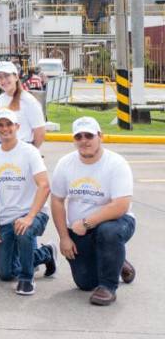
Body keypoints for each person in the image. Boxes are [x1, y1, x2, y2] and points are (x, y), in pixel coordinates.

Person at [50, 117, 136, 306]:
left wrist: (88, 222)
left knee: (108, 233)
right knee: (85, 282)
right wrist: (64, 237)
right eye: (78, 136)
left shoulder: (116, 163)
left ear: (100, 137)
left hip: (117, 222)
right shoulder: (65, 164)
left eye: (89, 135)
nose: (83, 140)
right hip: (80, 229)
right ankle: (116, 260)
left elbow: (121, 205)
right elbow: (56, 200)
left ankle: (108, 287)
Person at [0, 109, 56, 296]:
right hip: (7, 219)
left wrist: (30, 217)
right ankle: (46, 253)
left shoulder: (30, 152)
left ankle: (27, 278)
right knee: (5, 273)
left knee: (24, 232)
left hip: (33, 213)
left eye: (9, 124)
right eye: (0, 125)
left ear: (17, 127)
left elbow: (44, 186)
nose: (5, 128)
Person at [0, 61, 46, 148]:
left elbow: (40, 131)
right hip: (1, 145)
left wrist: (31, 152)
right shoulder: (1, 98)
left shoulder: (28, 101)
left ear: (16, 77)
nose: (3, 80)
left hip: (21, 147)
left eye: (7, 76)